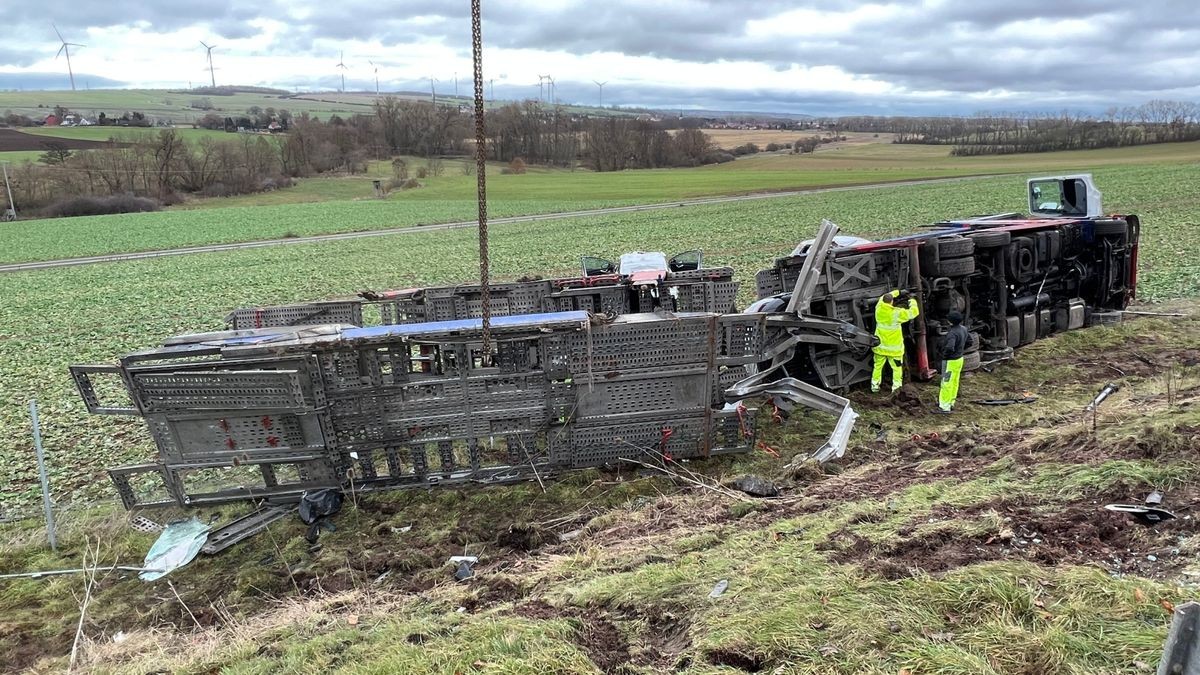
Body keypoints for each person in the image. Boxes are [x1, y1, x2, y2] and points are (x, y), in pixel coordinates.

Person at [871, 289, 920, 393]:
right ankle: (896, 389)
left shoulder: (878, 307)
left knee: (877, 367)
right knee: (897, 369)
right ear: (892, 301)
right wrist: (912, 300)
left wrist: (898, 292)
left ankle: (874, 387)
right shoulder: (897, 313)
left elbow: (884, 296)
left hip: (880, 347)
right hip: (894, 350)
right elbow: (914, 312)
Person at [937, 310, 969, 413]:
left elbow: (950, 347)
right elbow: (970, 341)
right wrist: (961, 350)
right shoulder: (964, 329)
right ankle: (951, 402)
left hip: (950, 362)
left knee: (946, 383)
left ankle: (944, 407)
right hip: (959, 359)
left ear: (950, 322)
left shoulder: (952, 333)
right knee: (955, 381)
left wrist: (944, 356)